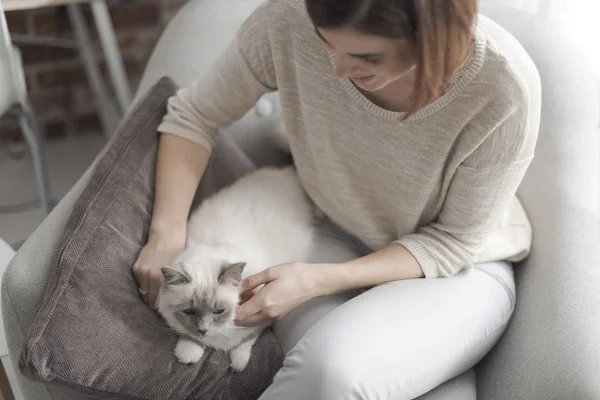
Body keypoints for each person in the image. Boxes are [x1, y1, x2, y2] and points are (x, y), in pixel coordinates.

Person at [133, 0, 541, 397]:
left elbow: (453, 242)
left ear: (434, 38)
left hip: (452, 268)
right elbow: (195, 115)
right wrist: (166, 233)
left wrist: (319, 281)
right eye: (326, 42)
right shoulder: (288, 17)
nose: (339, 70)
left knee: (334, 375)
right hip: (323, 235)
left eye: (368, 56)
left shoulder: (502, 90)